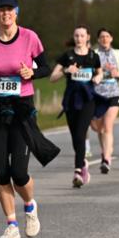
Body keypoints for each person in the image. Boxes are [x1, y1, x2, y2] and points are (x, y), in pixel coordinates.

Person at [0, 0, 59, 238]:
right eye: (1, 10)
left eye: (10, 9)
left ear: (16, 12)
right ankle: (11, 224)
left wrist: (31, 72)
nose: (5, 14)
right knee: (1, 172)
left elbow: (45, 67)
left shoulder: (30, 37)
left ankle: (30, 205)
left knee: (19, 172)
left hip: (21, 107)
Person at [50, 26, 104, 187]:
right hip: (71, 101)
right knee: (75, 137)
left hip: (88, 100)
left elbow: (99, 72)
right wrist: (66, 70)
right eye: (76, 35)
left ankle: (78, 171)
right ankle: (83, 163)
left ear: (87, 37)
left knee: (81, 133)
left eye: (82, 35)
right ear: (74, 38)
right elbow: (52, 77)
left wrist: (98, 78)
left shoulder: (94, 56)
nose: (79, 38)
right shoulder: (67, 56)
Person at [91, 28, 119, 174]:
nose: (105, 39)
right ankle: (105, 151)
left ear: (111, 38)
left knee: (108, 127)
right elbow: (88, 73)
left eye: (107, 36)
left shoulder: (118, 54)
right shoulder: (93, 54)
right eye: (102, 37)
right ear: (98, 40)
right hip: (97, 95)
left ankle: (106, 159)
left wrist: (117, 73)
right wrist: (99, 71)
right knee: (98, 128)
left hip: (114, 94)